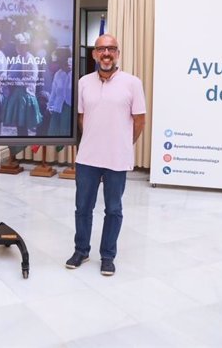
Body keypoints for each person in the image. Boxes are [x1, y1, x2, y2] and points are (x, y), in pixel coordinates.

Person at [65, 34, 146, 277]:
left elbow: (139, 120)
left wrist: (122, 143)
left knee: (113, 209)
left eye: (111, 49)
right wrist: (94, 138)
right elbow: (81, 118)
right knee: (82, 208)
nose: (106, 53)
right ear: (94, 54)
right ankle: (81, 250)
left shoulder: (132, 83)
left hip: (117, 158)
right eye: (101, 49)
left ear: (118, 54)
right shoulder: (83, 83)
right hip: (88, 157)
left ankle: (108, 256)